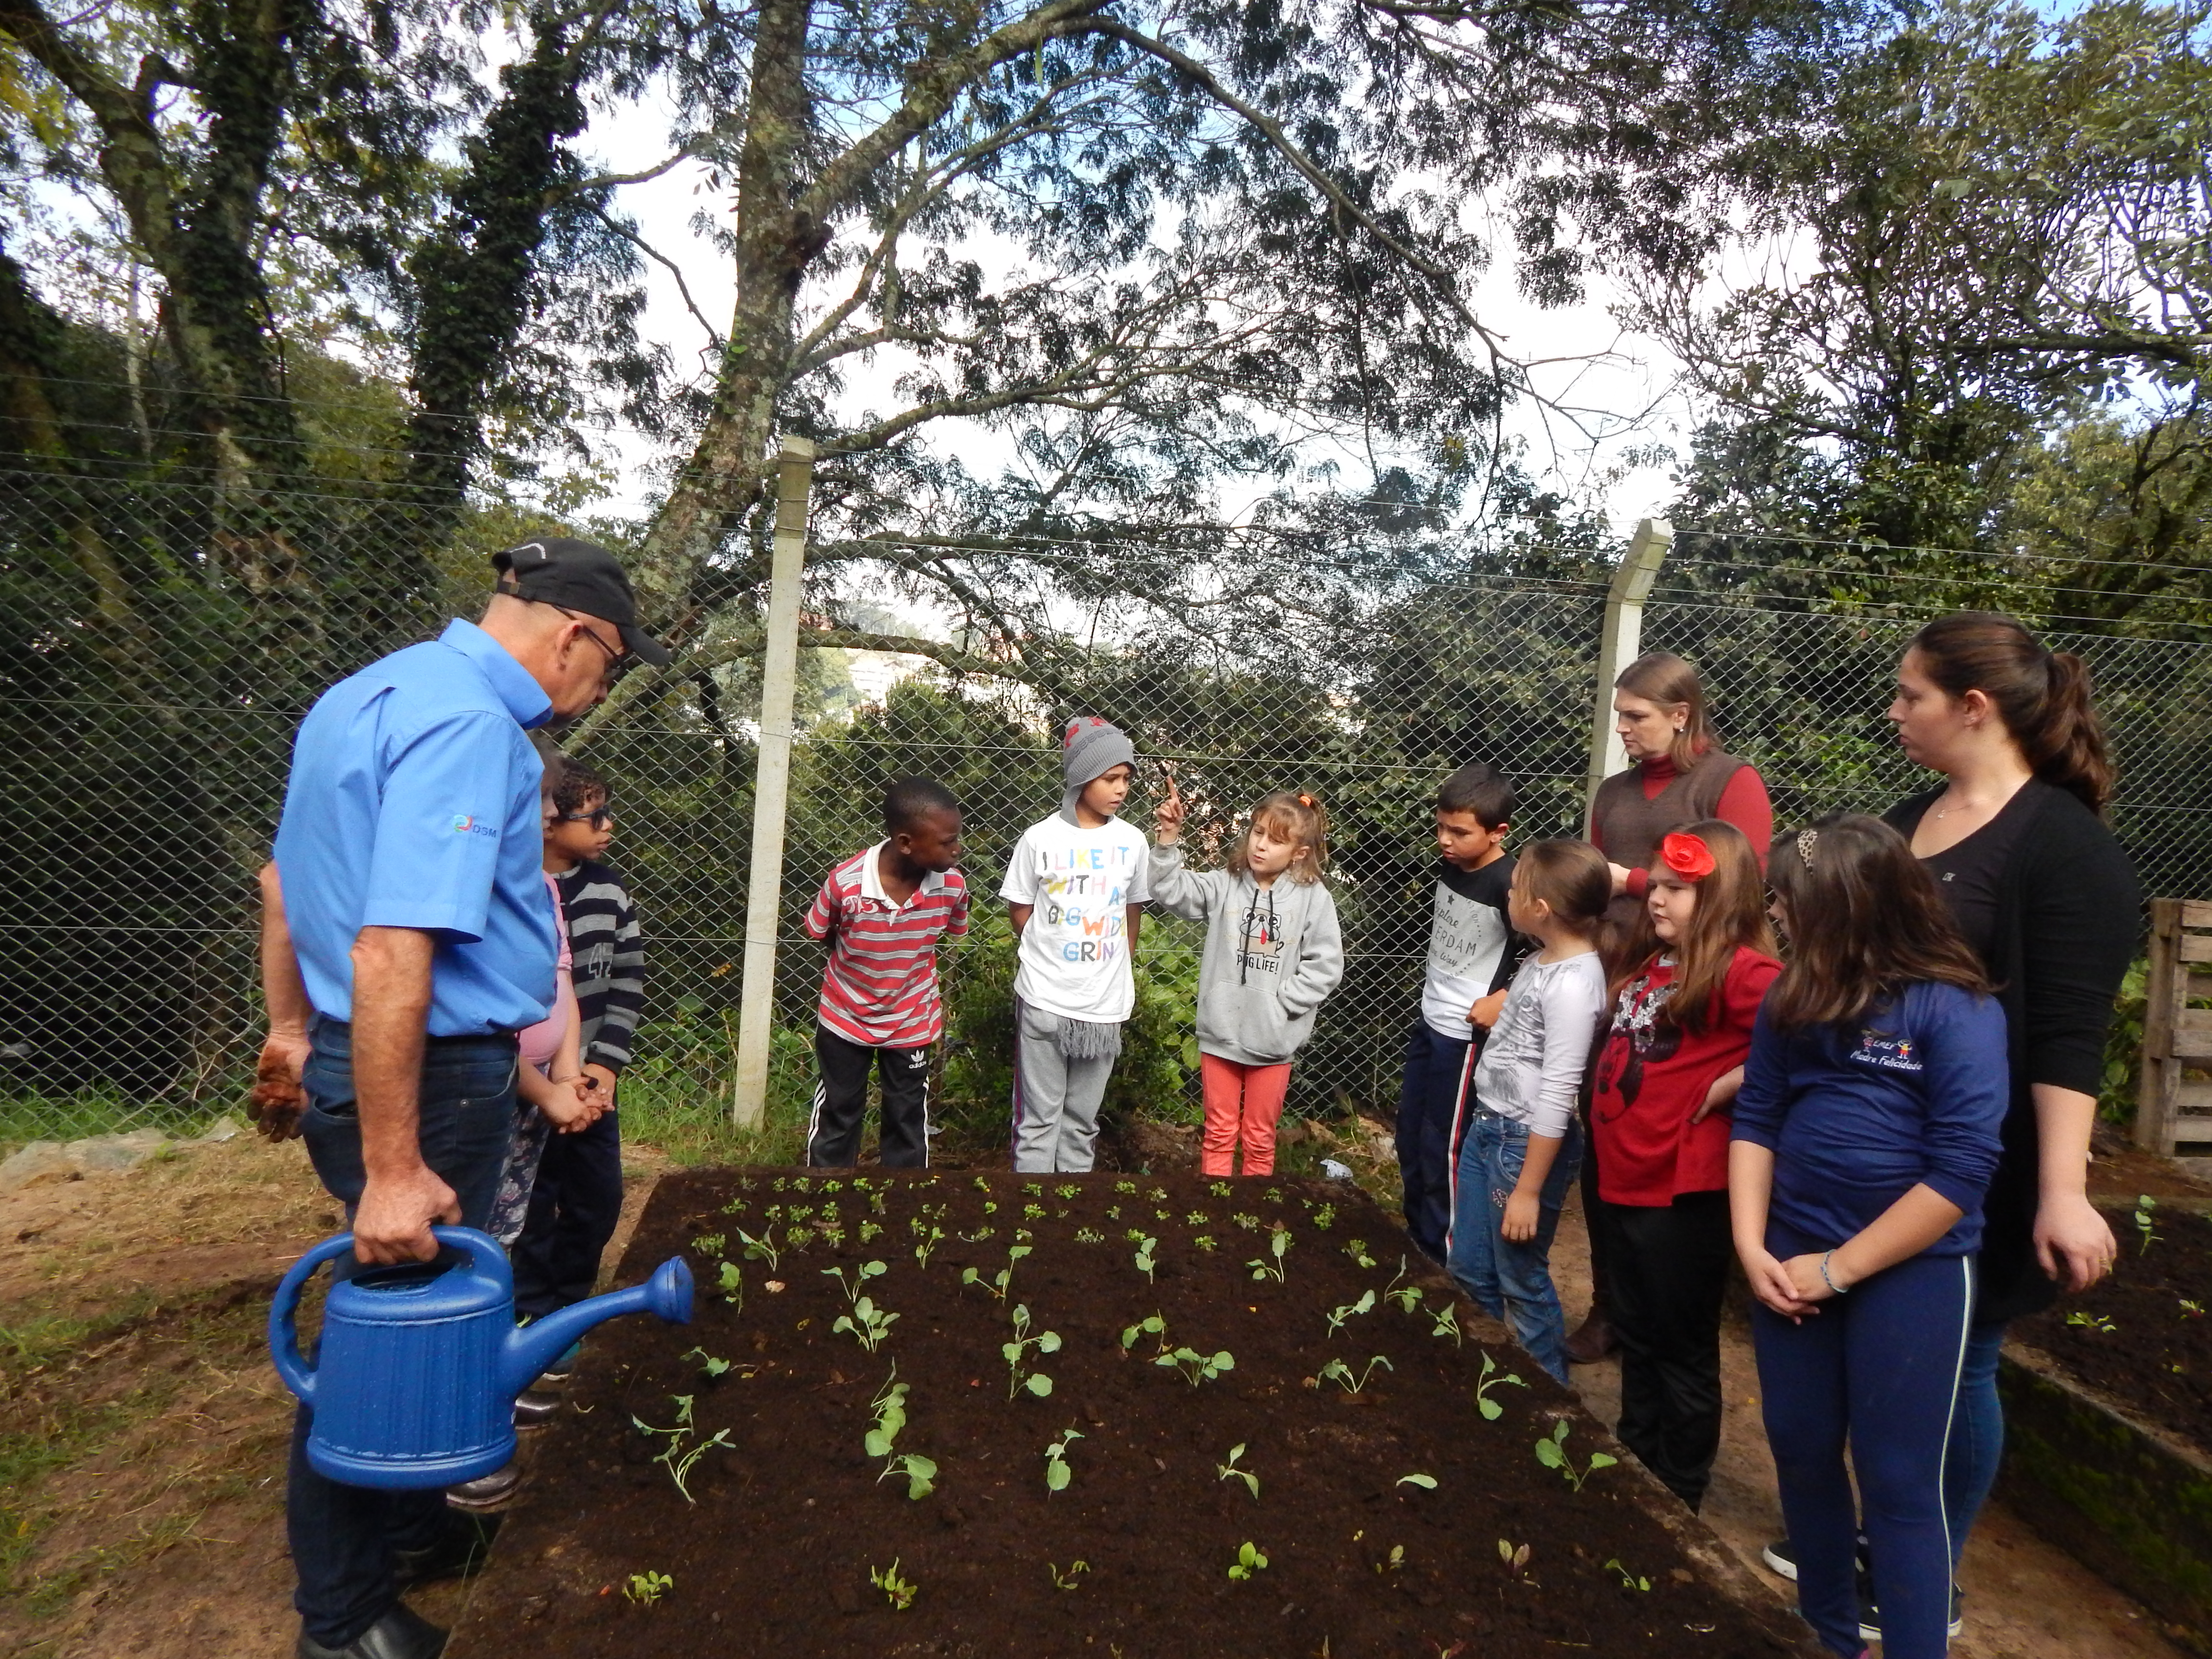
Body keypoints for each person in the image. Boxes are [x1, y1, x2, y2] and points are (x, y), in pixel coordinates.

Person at [254, 535, 665, 1659]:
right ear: (575, 634)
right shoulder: (479, 728)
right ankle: (344, 1621)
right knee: (381, 1337)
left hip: (370, 1054)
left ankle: (416, 1526)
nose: (596, 690)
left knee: (421, 1312)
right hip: (425, 1074)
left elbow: (286, 885)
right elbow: (396, 944)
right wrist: (395, 1162)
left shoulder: (365, 692)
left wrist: (292, 1026)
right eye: (611, 665)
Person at [1762, 613, 2142, 1643]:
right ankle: (1879, 1543)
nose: (1893, 712)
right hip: (1862, 1149)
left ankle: (1922, 1555)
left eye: (1910, 695)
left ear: (1973, 707)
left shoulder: (2064, 848)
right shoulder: (1910, 818)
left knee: (1967, 1357)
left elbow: (2069, 1035)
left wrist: (2062, 1189)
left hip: (1979, 1161)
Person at [1732, 814, 2008, 1659]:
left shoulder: (1952, 1008)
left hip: (1909, 1274)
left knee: (1896, 1483)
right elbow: (1757, 1118)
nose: (1775, 915)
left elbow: (1960, 1171)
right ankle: (1829, 1633)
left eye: (1786, 900)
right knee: (1802, 1450)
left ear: (1846, 906)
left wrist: (1838, 1269)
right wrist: (1752, 1248)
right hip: (1787, 1259)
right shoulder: (1793, 995)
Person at [1574, 650, 1773, 1363]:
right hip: (1616, 987)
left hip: (1694, 997)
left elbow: (1738, 886)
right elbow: (1593, 888)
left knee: (1668, 1146)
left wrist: (1629, 879)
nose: (1622, 729)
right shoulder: (1616, 792)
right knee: (1603, 1135)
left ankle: (1666, 1312)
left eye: (1636, 717)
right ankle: (1611, 1306)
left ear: (1681, 715)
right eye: (1619, 716)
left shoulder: (1731, 782)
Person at [1588, 820, 1780, 1511]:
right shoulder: (1656, 963)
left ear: (1721, 896)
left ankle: (1679, 1491)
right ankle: (1636, 1460)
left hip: (1682, 1193)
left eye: (1678, 889)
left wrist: (1742, 1078)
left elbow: (1818, 1033)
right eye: (1657, 886)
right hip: (1624, 1181)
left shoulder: (1744, 971)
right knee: (1637, 1334)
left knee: (1680, 1348)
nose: (1657, 898)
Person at [1443, 839, 1611, 1384]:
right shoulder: (1541, 961)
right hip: (1489, 1126)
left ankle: (1549, 1401)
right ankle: (1486, 1382)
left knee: (1520, 1277)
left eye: (1517, 889)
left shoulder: (1574, 985)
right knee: (1468, 1267)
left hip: (1523, 1146)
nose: (1508, 893)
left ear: (1540, 909)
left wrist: (1529, 1191)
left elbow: (1560, 1094)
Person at [1149, 779, 1345, 1176]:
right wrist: (1169, 839)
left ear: (1299, 853)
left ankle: (1254, 1222)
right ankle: (1213, 1218)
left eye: (1274, 841)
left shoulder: (1313, 898)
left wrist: (1281, 1004)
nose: (1260, 846)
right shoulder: (1225, 885)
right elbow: (1169, 889)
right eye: (1257, 833)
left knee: (1259, 1138)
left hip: (1272, 1042)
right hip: (1219, 1036)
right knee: (1218, 1133)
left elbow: (1326, 965)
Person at [510, 756, 645, 1328]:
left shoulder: (611, 894)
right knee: (533, 1203)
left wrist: (604, 1068)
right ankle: (531, 1311)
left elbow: (628, 981)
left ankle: (572, 1304)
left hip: (590, 1082)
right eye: (596, 816)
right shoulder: (515, 891)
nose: (609, 825)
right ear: (548, 821)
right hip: (524, 1085)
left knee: (598, 1197)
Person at [1001, 717, 1150, 1172]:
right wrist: (1051, 953)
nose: (1121, 789)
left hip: (1103, 1006)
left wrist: (1111, 966)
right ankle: (1030, 1209)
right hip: (1045, 998)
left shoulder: (1132, 842)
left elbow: (1132, 911)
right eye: (1110, 778)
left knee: (1082, 1120)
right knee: (1038, 1119)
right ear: (1082, 778)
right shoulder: (1040, 839)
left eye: (1126, 779)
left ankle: (1070, 1208)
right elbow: (1020, 909)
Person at [801, 776, 970, 1167]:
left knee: (907, 1117)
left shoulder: (953, 887)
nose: (957, 850)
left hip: (912, 1019)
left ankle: (903, 1206)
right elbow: (822, 932)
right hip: (845, 1017)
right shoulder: (845, 884)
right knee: (839, 1113)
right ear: (906, 843)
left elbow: (947, 934)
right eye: (947, 842)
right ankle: (824, 1201)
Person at [1397, 760, 1523, 1265]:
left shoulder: (1510, 883)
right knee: (1410, 1133)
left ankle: (1444, 1256)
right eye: (1440, 827)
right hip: (1430, 1020)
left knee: (1442, 1145)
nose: (1445, 840)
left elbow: (1543, 951)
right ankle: (1414, 1234)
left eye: (1459, 832)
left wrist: (1504, 997)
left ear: (1498, 833)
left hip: (1465, 1038)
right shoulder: (1450, 867)